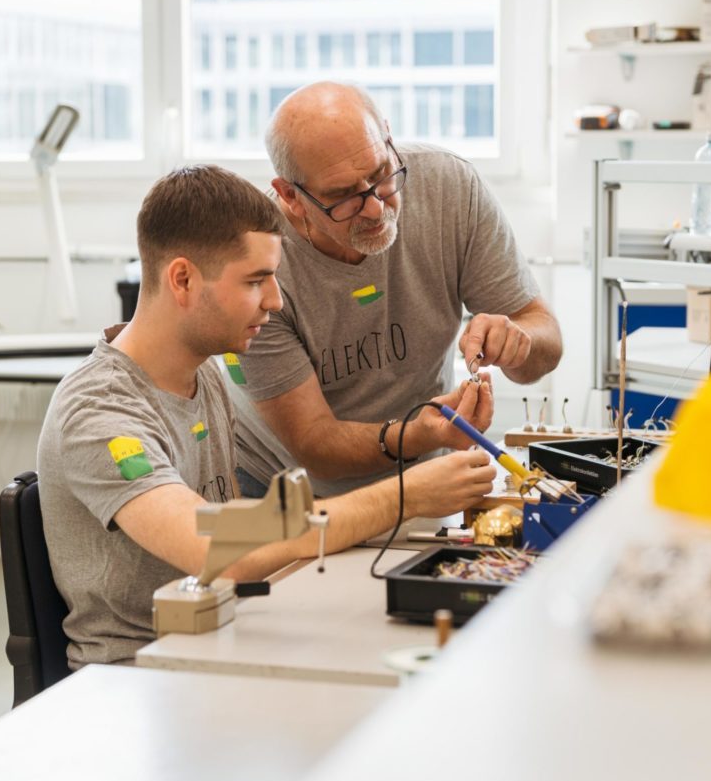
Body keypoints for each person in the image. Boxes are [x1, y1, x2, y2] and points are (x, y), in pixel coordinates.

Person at [37, 165, 496, 669]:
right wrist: (407, 495)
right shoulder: (101, 410)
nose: (275, 302)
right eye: (256, 281)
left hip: (218, 640)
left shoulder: (206, 375)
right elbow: (222, 550)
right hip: (138, 676)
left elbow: (242, 526)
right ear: (183, 279)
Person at [228, 82, 563, 499]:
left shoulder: (449, 188)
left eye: (380, 174)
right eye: (343, 196)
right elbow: (316, 446)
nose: (374, 207)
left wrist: (520, 342)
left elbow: (545, 340)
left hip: (421, 480)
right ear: (291, 196)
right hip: (285, 491)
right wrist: (418, 436)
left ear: (387, 136)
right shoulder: (257, 262)